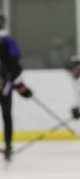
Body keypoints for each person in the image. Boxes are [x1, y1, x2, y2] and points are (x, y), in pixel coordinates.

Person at [0, 14, 33, 161]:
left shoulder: (7, 40)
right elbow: (17, 65)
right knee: (7, 116)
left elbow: (16, 65)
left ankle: (8, 147)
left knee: (7, 116)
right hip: (5, 84)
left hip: (5, 85)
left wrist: (18, 83)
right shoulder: (8, 40)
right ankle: (8, 147)